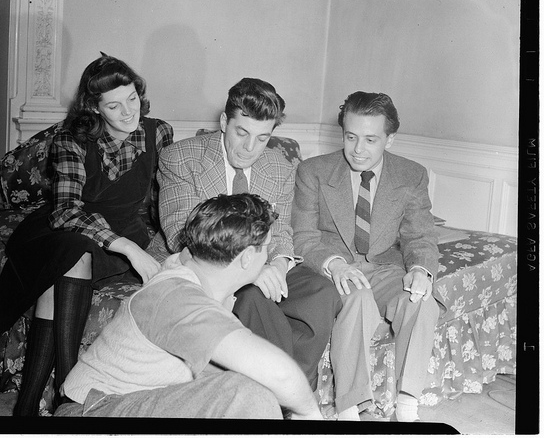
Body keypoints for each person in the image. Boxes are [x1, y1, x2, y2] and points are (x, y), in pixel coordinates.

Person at [0, 54, 174, 416]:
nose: (127, 112)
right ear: (95, 107)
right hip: (57, 231)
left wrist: (164, 246)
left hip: (116, 235)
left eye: (132, 98)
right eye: (113, 105)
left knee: (67, 267)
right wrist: (129, 250)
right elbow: (66, 212)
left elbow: (165, 198)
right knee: (75, 250)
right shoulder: (71, 139)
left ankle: (28, 407)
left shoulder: (159, 132)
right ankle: (68, 390)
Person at [55, 193, 324, 420]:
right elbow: (281, 374)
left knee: (250, 387)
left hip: (136, 402)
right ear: (246, 258)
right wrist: (311, 415)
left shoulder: (202, 276)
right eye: (266, 248)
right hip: (92, 412)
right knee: (249, 394)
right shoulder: (175, 295)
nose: (268, 256)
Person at [154, 77, 337, 389]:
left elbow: (281, 230)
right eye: (242, 133)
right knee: (252, 297)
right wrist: (253, 270)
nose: (250, 148)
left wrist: (278, 263)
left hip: (261, 262)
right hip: (202, 266)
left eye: (263, 138)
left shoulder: (280, 167)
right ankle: (276, 398)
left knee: (322, 292)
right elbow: (182, 236)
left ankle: (295, 390)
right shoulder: (181, 157)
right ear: (225, 122)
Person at [292, 91, 440, 422]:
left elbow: (420, 235)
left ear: (390, 139)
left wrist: (419, 270)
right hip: (335, 268)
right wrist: (335, 265)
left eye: (371, 139)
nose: (358, 149)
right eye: (351, 137)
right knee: (356, 296)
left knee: (421, 300)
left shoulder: (411, 174)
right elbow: (304, 238)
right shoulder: (313, 171)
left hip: (385, 268)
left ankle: (406, 407)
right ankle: (349, 410)